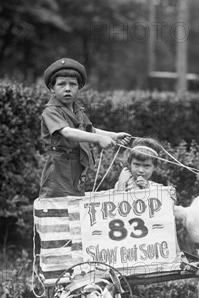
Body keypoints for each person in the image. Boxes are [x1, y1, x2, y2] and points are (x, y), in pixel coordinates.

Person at [39, 57, 131, 198]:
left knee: (76, 207)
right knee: (59, 208)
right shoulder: (51, 111)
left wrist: (113, 135)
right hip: (59, 170)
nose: (68, 89)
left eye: (73, 84)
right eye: (61, 84)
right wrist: (99, 139)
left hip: (77, 167)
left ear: (79, 87)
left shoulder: (77, 110)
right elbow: (67, 132)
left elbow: (89, 129)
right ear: (52, 88)